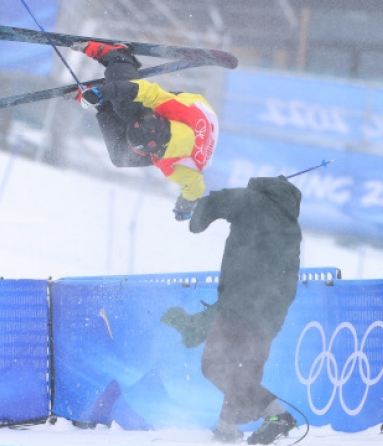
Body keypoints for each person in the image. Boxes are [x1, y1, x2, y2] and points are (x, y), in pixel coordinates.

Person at [161, 175, 303, 444]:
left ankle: (278, 413)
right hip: (271, 314)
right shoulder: (292, 224)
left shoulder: (252, 199)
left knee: (213, 366)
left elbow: (215, 201)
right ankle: (227, 430)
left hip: (240, 305)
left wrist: (191, 214)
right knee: (244, 374)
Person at [72, 41, 218, 221]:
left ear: (152, 152)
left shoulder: (178, 170)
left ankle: (105, 106)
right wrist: (105, 92)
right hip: (194, 110)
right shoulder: (173, 107)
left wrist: (185, 206)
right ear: (155, 118)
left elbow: (195, 188)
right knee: (127, 106)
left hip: (180, 144)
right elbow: (140, 90)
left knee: (120, 156)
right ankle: (119, 56)